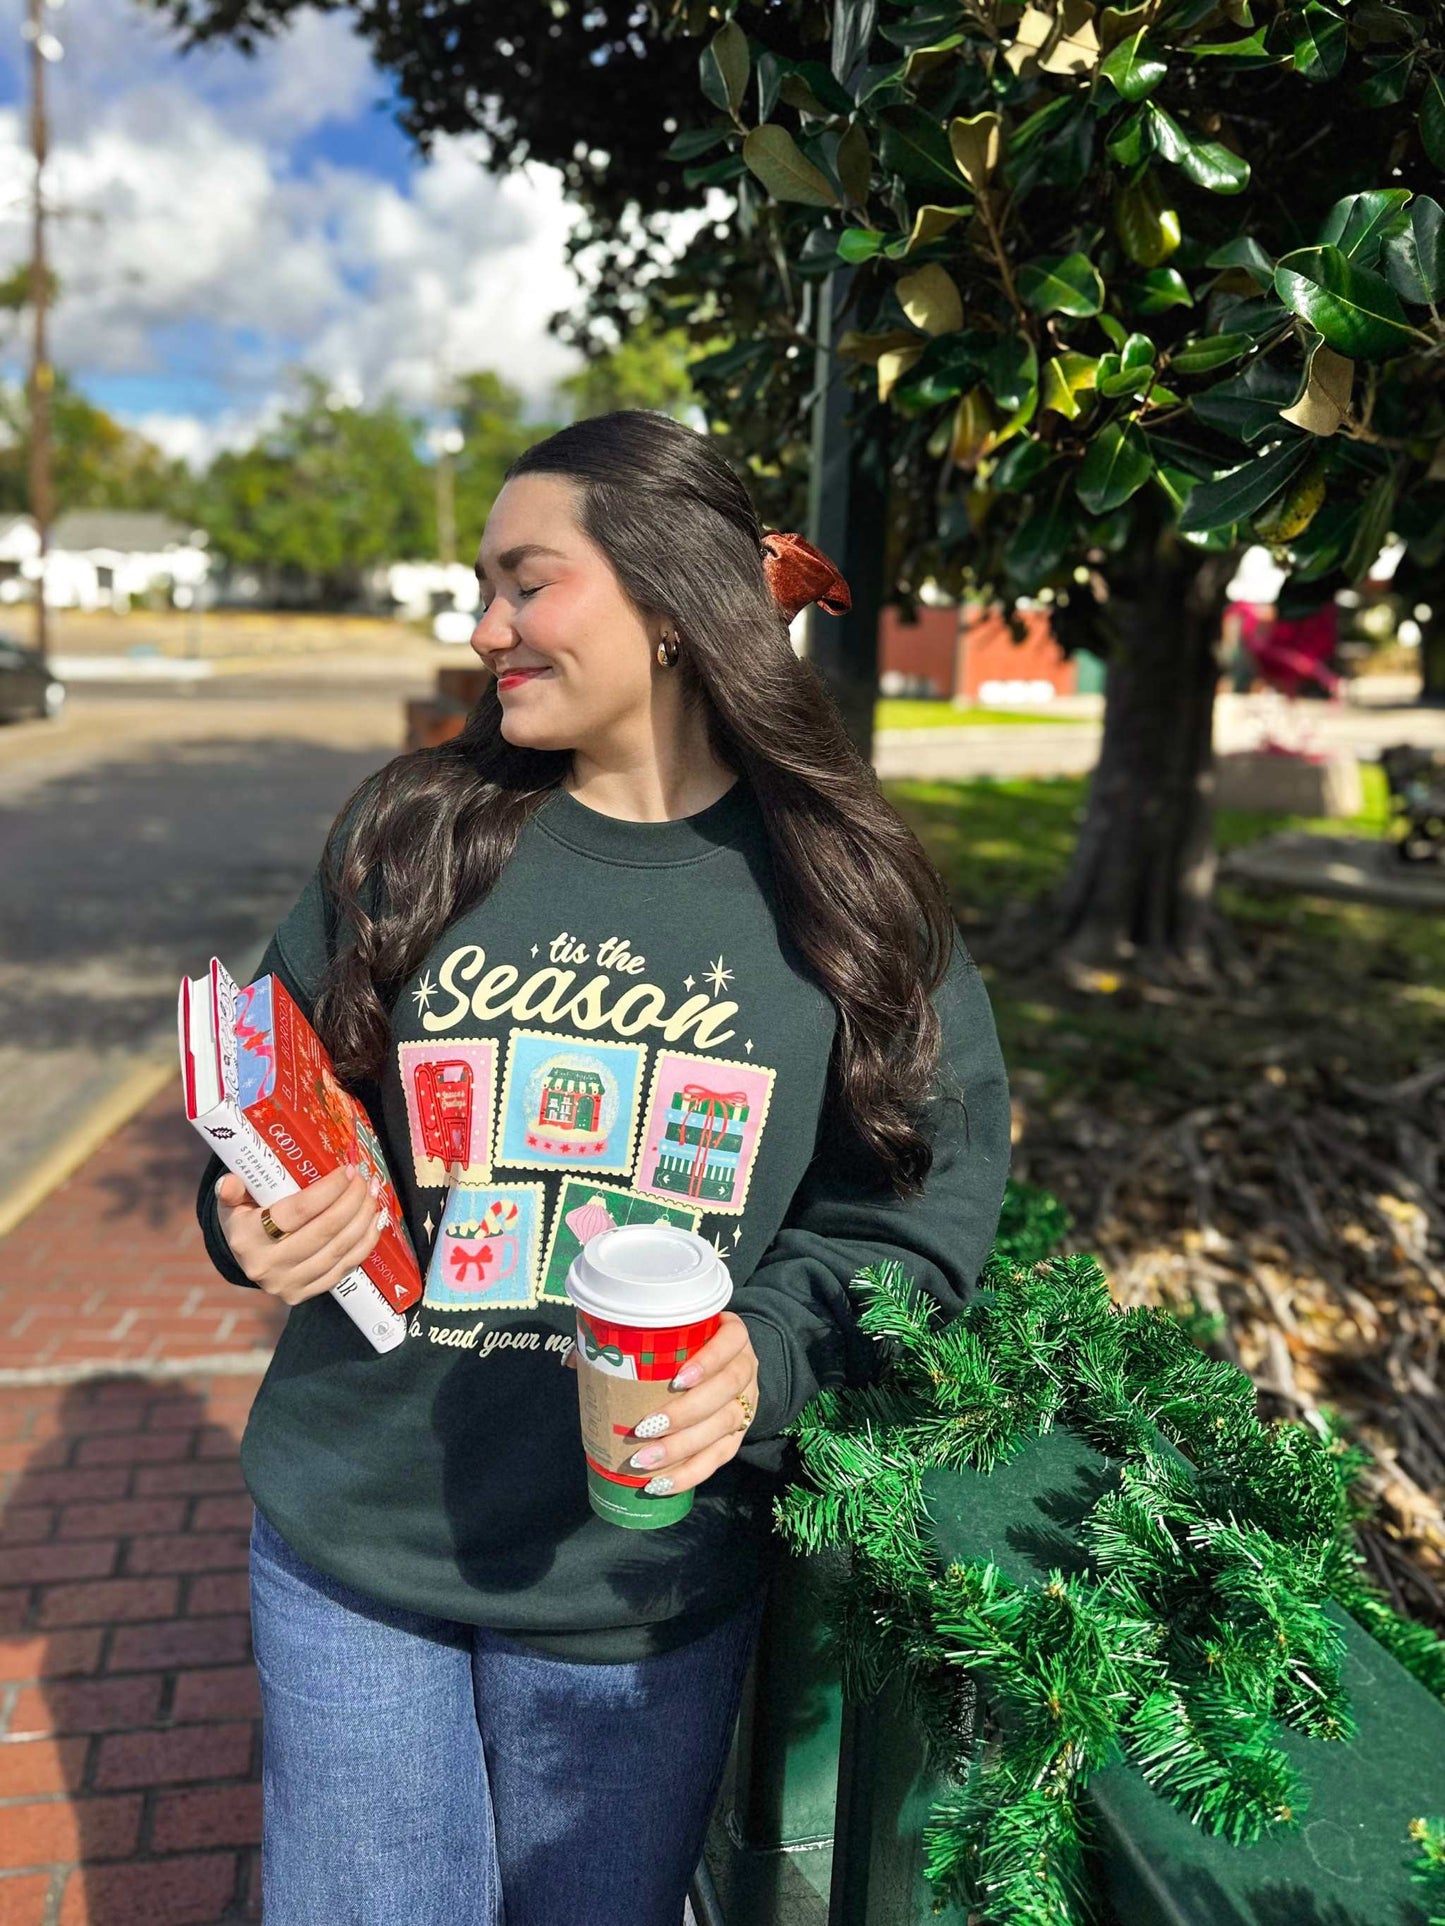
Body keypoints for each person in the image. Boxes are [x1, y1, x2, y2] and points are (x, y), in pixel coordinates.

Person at [194, 409, 1012, 1926]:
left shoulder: (846, 891)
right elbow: (271, 1078)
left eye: (527, 579)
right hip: (355, 1533)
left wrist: (764, 1356)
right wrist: (248, 1211)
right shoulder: (416, 828)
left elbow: (919, 1208)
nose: (486, 622)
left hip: (633, 1581)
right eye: (482, 582)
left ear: (670, 600)